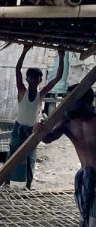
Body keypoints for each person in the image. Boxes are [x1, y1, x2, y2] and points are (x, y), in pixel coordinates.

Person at [33, 84, 96, 227]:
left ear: (85, 99)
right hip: (85, 176)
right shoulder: (67, 123)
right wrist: (39, 130)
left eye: (73, 98)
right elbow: (48, 138)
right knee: (86, 216)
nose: (68, 102)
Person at [7, 45, 65, 190]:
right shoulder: (21, 90)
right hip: (18, 128)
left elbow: (57, 78)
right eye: (31, 76)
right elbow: (17, 70)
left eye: (36, 77)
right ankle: (6, 181)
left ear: (40, 80)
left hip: (33, 130)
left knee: (30, 157)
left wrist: (62, 57)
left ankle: (28, 185)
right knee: (13, 155)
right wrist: (24, 51)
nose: (33, 79)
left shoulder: (42, 93)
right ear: (27, 78)